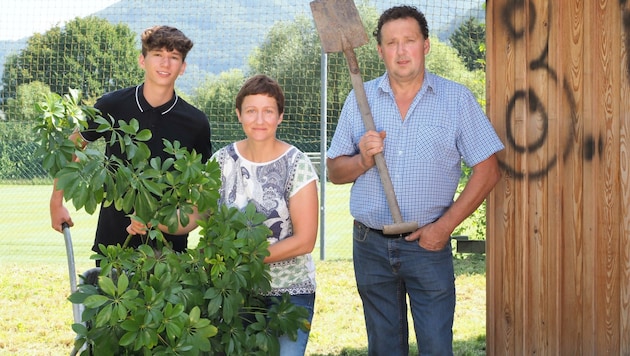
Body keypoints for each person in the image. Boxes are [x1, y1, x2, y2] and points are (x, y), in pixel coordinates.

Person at [326, 5, 504, 355]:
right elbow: (334, 172)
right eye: (391, 43)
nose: (401, 50)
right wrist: (363, 159)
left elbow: (488, 170)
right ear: (379, 51)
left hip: (428, 244)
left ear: (425, 45)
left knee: (436, 347)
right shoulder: (359, 100)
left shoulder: (456, 100)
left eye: (409, 40)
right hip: (371, 244)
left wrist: (444, 228)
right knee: (384, 347)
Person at [127, 74, 319, 355]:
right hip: (231, 288)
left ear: (280, 116)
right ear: (239, 114)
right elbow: (195, 214)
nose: (260, 119)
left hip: (289, 291)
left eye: (268, 111)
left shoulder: (297, 164)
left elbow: (305, 240)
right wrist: (152, 221)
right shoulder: (222, 161)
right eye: (251, 111)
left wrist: (245, 257)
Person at [49, 25, 212, 259]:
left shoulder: (196, 123)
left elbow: (202, 189)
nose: (165, 64)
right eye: (157, 55)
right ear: (142, 60)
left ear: (183, 67)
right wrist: (56, 202)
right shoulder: (111, 105)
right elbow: (73, 145)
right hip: (114, 245)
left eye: (173, 57)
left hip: (169, 253)